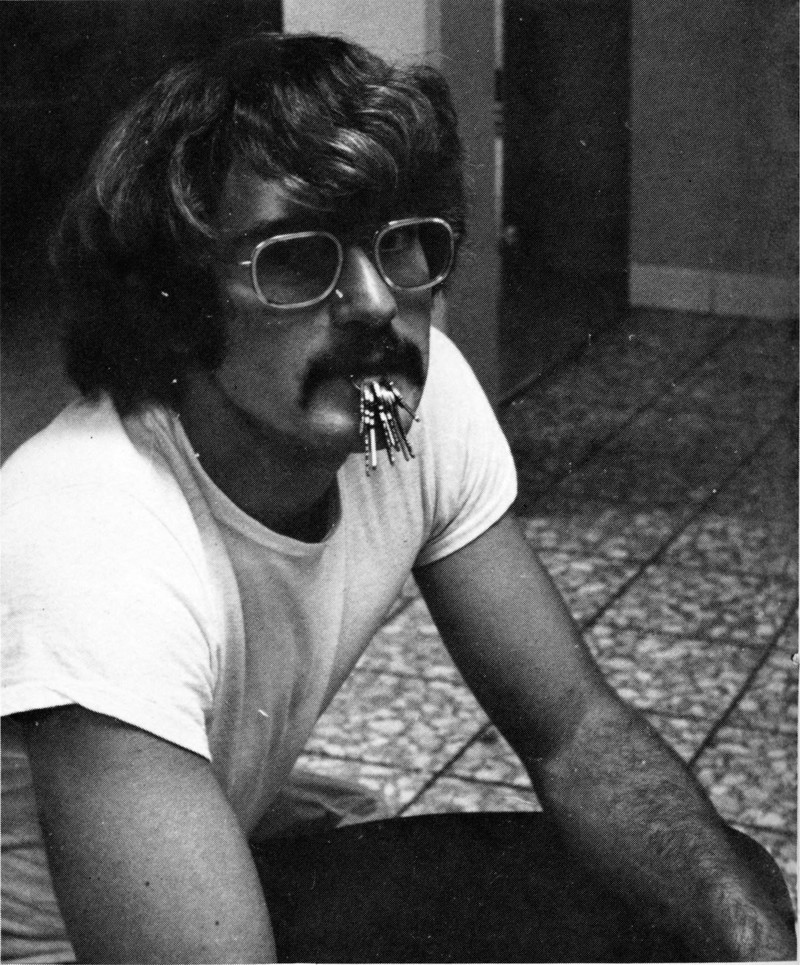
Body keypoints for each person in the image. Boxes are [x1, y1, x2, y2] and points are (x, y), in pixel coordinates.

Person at [1, 32, 794, 964]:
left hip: (218, 853)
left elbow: (573, 730)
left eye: (402, 242)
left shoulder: (392, 413)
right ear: (175, 301)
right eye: (297, 259)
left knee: (723, 892)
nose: (376, 301)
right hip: (55, 949)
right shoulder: (91, 536)